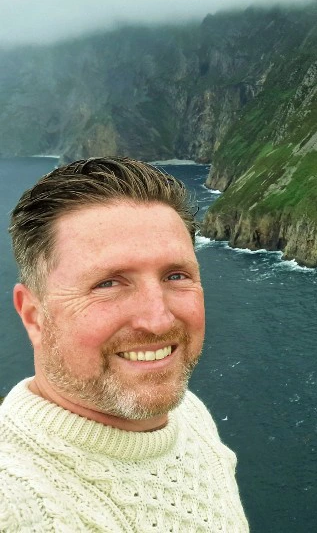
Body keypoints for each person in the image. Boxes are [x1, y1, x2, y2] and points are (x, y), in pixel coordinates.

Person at [0, 156, 248, 531]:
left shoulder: (188, 414)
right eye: (108, 283)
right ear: (33, 315)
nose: (158, 319)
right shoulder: (17, 505)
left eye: (176, 275)